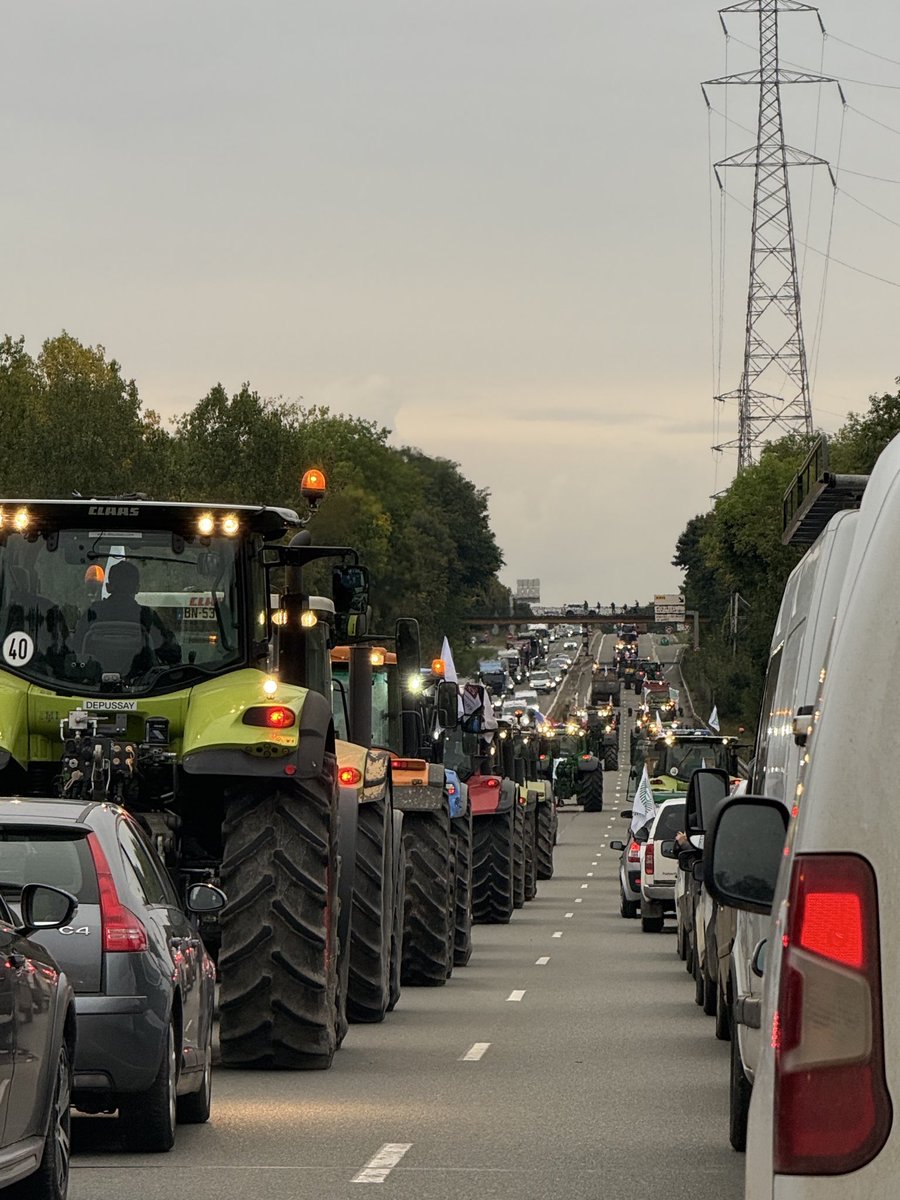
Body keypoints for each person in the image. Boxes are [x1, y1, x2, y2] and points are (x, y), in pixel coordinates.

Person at [77, 560, 180, 669]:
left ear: (108, 587)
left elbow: (76, 647)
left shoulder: (93, 613)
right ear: (137, 588)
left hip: (94, 681)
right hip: (141, 682)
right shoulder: (146, 616)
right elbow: (172, 654)